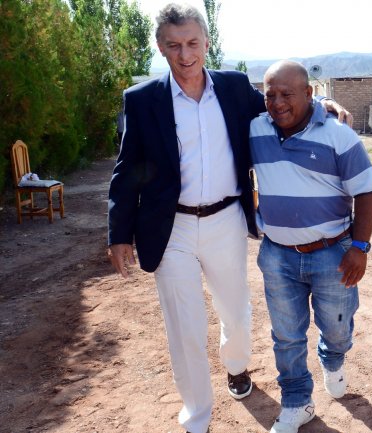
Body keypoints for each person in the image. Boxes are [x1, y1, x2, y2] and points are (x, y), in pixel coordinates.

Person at [106, 4, 350, 433]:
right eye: (174, 45)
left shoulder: (234, 87)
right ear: (160, 47)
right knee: (184, 326)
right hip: (171, 227)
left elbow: (279, 109)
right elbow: (128, 169)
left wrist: (322, 104)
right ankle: (196, 416)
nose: (185, 55)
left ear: (206, 43)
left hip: (226, 220)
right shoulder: (142, 100)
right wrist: (119, 233)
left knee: (235, 313)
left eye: (192, 43)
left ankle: (236, 366)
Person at [249, 60, 372, 433]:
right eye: (270, 95)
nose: (277, 103)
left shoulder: (339, 135)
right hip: (277, 255)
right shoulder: (255, 129)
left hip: (333, 254)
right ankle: (296, 402)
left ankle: (332, 357)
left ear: (309, 93)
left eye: (287, 94)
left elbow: (367, 191)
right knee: (286, 336)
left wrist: (360, 247)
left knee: (337, 330)